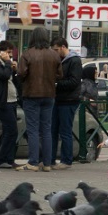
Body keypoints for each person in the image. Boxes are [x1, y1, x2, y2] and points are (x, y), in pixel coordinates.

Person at [17, 26, 62, 172]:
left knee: (33, 130)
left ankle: (33, 162)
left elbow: (21, 73)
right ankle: (47, 163)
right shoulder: (54, 55)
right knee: (47, 129)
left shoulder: (27, 54)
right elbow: (60, 75)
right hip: (49, 95)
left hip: (31, 95)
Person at [0, 41, 22, 169]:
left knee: (11, 131)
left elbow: (13, 80)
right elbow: (4, 75)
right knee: (11, 130)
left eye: (11, 53)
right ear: (1, 52)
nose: (10, 55)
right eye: (8, 52)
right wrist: (8, 63)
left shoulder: (5, 64)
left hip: (12, 101)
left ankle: (9, 159)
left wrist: (15, 70)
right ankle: (2, 160)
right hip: (3, 102)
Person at [50, 36, 82, 170]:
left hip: (69, 100)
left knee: (65, 131)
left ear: (63, 47)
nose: (55, 52)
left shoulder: (74, 60)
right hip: (58, 99)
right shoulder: (60, 60)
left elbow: (74, 81)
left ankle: (66, 160)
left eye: (56, 49)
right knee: (52, 130)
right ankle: (49, 160)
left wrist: (57, 84)